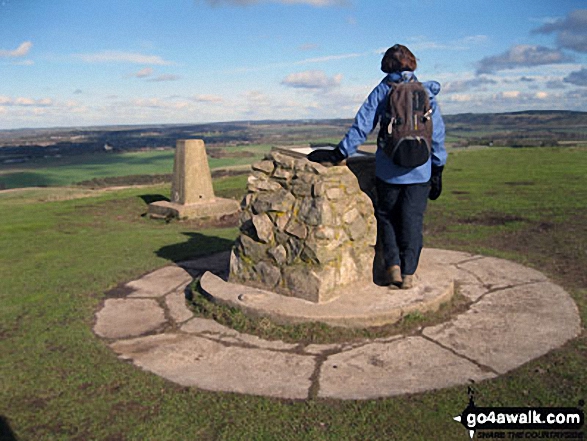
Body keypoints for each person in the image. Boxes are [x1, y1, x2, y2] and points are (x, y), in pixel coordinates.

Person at [307, 44, 447, 289]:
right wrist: (438, 167)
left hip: (388, 171)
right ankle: (409, 272)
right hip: (420, 171)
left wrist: (340, 153)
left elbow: (362, 125)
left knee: (387, 217)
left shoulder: (383, 90)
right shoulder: (425, 92)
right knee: (412, 220)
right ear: (412, 64)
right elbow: (437, 134)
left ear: (387, 65)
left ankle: (392, 265)